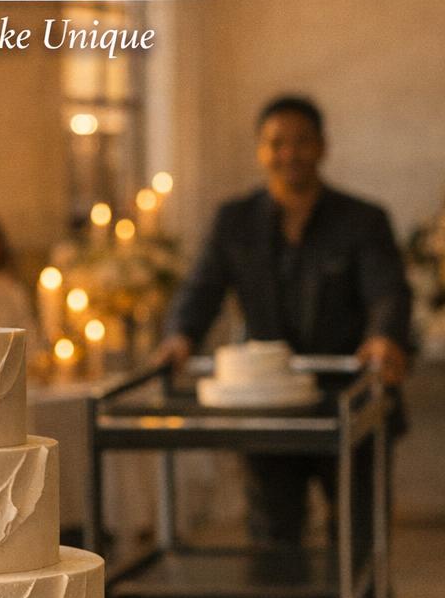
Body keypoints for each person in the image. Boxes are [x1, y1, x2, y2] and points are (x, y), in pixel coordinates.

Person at [158, 95, 412, 544]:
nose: (289, 153)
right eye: (277, 143)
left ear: (322, 146)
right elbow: (202, 288)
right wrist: (181, 335)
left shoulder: (363, 220)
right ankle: (279, 594)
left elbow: (387, 292)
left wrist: (383, 338)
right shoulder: (234, 221)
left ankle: (355, 593)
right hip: (267, 402)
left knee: (360, 532)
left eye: (301, 141)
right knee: (272, 533)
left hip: (349, 398)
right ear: (261, 150)